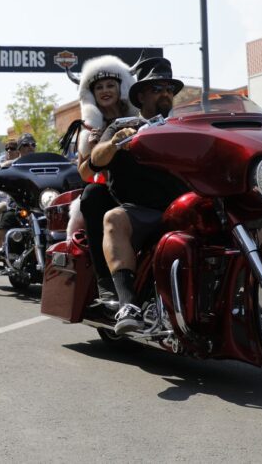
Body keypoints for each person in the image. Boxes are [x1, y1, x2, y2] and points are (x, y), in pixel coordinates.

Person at [88, 58, 188, 334]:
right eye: (157, 88)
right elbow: (96, 159)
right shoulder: (125, 124)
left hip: (186, 206)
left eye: (169, 88)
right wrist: (117, 141)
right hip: (143, 210)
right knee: (114, 218)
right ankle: (128, 304)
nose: (165, 93)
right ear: (141, 95)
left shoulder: (185, 126)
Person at [69, 56, 138, 304]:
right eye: (99, 87)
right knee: (92, 196)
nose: (106, 91)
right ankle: (105, 282)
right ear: (92, 94)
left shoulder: (141, 118)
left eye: (110, 85)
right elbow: (84, 174)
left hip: (142, 189)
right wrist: (99, 149)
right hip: (108, 192)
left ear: (122, 88)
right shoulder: (88, 130)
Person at [0, 133, 38, 296]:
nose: (30, 147)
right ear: (19, 148)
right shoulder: (10, 165)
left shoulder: (41, 162)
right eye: (25, 144)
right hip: (16, 207)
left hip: (40, 208)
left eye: (33, 144)